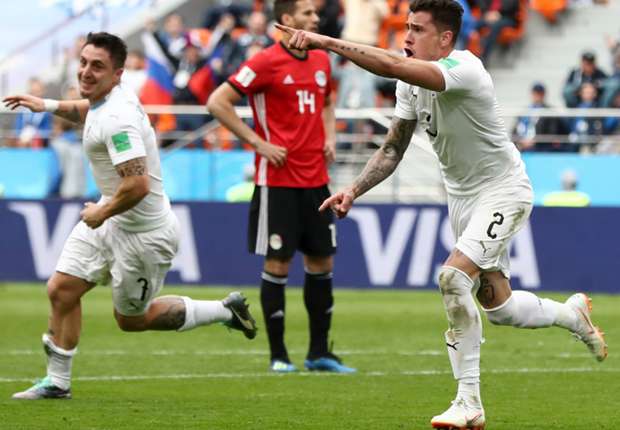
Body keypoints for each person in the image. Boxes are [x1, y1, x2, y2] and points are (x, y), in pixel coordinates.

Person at [275, 0, 608, 427]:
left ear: (445, 38)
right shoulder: (410, 86)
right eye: (407, 27)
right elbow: (392, 148)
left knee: (452, 278)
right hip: (463, 200)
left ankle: (468, 402)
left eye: (417, 29)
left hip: (503, 190)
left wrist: (325, 42)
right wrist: (354, 190)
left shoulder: (465, 69)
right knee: (499, 308)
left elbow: (392, 65)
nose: (406, 37)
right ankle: (572, 316)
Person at [3, 32, 257, 400]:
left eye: (97, 66)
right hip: (112, 215)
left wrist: (101, 211)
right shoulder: (107, 100)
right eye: (84, 63)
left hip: (143, 233)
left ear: (118, 74)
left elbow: (137, 184)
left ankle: (224, 310)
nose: (86, 72)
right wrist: (46, 104)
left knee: (132, 320)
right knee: (61, 289)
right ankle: (57, 382)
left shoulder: (118, 119)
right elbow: (88, 111)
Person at [207, 0, 355, 374]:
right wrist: (258, 143)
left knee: (322, 262)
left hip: (317, 181)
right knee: (278, 263)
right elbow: (217, 101)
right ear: (287, 19)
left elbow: (328, 102)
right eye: (307, 13)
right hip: (277, 182)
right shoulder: (264, 62)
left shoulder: (321, 59)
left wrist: (330, 136)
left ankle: (319, 353)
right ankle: (279, 356)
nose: (316, 18)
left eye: (315, 13)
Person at [512, 82, 572, 152]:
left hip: (540, 148)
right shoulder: (525, 112)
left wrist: (534, 141)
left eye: (540, 93)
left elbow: (551, 133)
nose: (537, 96)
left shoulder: (550, 112)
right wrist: (521, 142)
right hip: (522, 147)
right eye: (535, 93)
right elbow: (515, 131)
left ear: (544, 94)